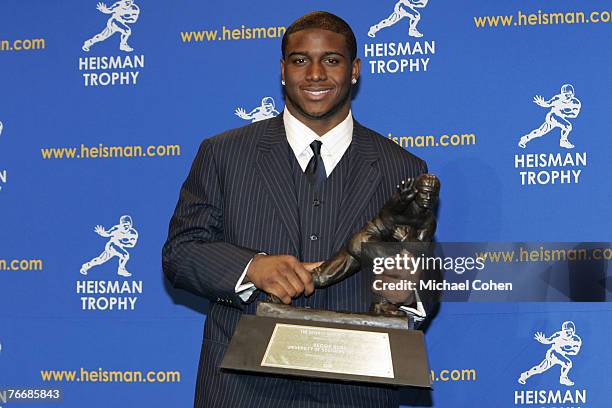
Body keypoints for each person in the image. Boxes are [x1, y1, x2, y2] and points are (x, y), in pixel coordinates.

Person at [163, 11, 433, 408]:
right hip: (242, 391)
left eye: (332, 60)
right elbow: (180, 253)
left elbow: (418, 269)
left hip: (357, 391)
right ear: (283, 70)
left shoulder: (403, 169)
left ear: (355, 69)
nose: (316, 74)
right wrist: (251, 267)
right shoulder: (223, 154)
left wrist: (407, 290)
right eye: (300, 60)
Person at [518, 321, 582, 386]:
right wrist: (543, 340)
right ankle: (563, 378)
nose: (568, 333)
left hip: (561, 355)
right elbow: (549, 341)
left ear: (573, 331)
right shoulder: (558, 335)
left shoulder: (576, 340)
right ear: (562, 331)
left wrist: (564, 350)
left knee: (540, 368)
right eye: (566, 331)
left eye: (570, 331)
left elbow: (575, 352)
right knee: (567, 363)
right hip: (553, 353)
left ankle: (525, 375)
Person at [518, 84, 581, 149]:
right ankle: (563, 141)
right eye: (565, 94)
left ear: (573, 94)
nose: (568, 96)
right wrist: (542, 103)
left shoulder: (576, 103)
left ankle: (525, 139)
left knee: (540, 132)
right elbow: (548, 104)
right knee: (567, 126)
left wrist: (564, 112)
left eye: (570, 94)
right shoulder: (557, 99)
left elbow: (574, 115)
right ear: (562, 94)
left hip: (561, 118)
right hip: (552, 116)